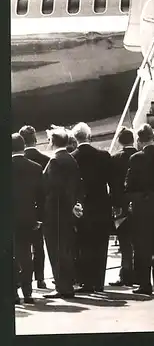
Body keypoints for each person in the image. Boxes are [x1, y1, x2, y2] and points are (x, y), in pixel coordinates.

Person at [125, 124, 154, 295]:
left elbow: (129, 185)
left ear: (139, 140)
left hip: (141, 208)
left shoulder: (136, 159)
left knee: (141, 246)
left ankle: (144, 284)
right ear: (153, 138)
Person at [71, 122, 113, 293]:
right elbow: (112, 182)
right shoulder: (104, 156)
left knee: (84, 244)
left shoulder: (72, 157)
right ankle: (99, 282)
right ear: (89, 136)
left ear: (75, 138)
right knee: (101, 245)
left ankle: (86, 282)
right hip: (102, 204)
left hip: (83, 207)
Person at [43, 127, 83, 299]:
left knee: (55, 250)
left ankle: (62, 286)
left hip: (54, 212)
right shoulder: (70, 159)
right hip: (67, 211)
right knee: (65, 249)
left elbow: (52, 188)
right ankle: (67, 284)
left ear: (53, 142)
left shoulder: (55, 161)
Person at [12, 133, 44, 304]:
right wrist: (38, 218)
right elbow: (41, 197)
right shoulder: (36, 167)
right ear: (24, 147)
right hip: (29, 217)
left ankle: (14, 292)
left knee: (11, 255)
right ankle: (28, 292)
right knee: (26, 255)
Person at [18, 125, 49, 289]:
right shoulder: (45, 160)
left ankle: (21, 278)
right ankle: (40, 278)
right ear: (35, 140)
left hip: (20, 211)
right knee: (38, 246)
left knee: (20, 247)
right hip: (37, 209)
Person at [109, 127, 137, 287]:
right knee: (140, 241)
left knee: (125, 244)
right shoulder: (140, 156)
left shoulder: (115, 158)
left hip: (121, 206)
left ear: (119, 141)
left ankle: (125, 274)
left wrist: (116, 204)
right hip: (140, 204)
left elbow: (113, 184)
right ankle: (140, 274)